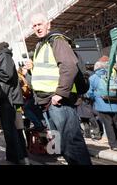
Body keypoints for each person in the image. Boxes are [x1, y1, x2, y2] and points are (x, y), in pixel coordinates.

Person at [27, 13, 92, 165]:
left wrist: (60, 93)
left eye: (40, 24)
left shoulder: (56, 40)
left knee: (71, 143)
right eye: (34, 26)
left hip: (58, 101)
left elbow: (69, 66)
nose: (37, 28)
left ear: (48, 24)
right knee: (61, 145)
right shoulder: (40, 45)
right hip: (48, 103)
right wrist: (32, 70)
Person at [88, 56, 117, 151]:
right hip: (116, 104)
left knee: (108, 125)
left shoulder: (93, 78)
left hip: (102, 105)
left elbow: (89, 93)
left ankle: (114, 145)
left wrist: (95, 98)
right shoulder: (113, 74)